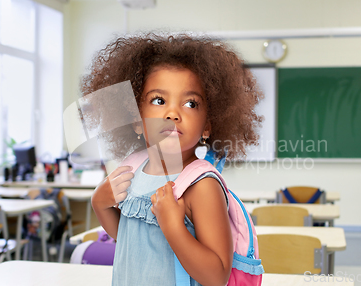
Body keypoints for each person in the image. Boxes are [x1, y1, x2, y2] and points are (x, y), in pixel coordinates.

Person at [88, 33, 263, 286]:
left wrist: (174, 227)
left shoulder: (201, 185)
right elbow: (132, 242)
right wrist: (99, 205)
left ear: (207, 127)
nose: (172, 113)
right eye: (159, 101)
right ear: (137, 121)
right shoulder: (133, 168)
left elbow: (217, 276)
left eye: (191, 103)